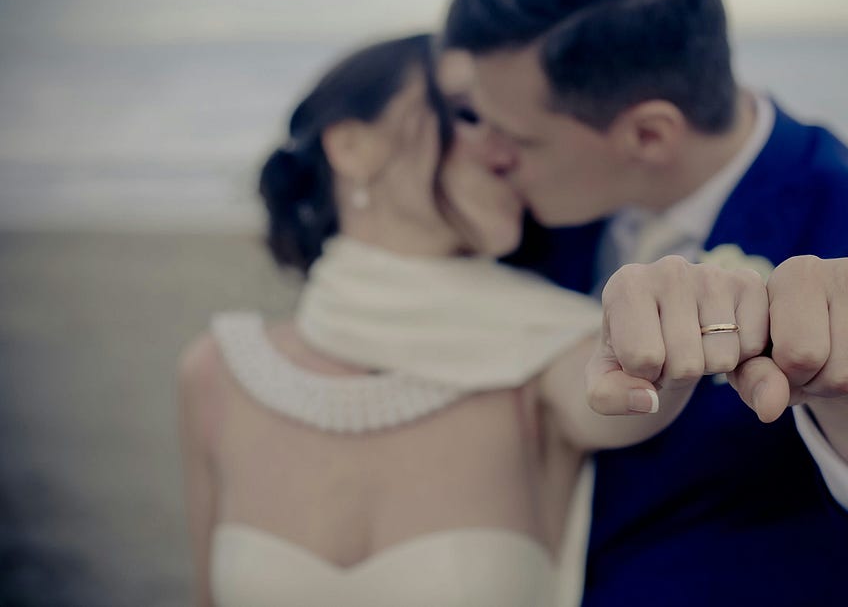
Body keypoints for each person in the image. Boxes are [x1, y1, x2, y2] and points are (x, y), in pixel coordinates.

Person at [442, 0, 848, 604]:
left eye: (516, 138)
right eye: (476, 118)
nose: (485, 155)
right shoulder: (525, 210)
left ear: (649, 135)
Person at [177, 34, 771, 606]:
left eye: (511, 119)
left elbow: (627, 394)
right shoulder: (218, 373)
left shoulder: (552, 348)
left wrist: (678, 317)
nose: (506, 145)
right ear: (354, 147)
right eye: (466, 114)